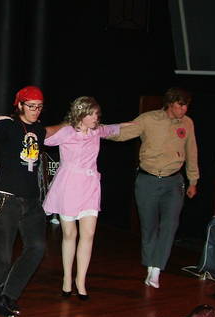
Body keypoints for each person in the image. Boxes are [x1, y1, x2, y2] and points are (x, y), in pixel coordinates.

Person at [0, 86, 63, 317]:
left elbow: (51, 130)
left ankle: (9, 292)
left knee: (37, 247)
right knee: (3, 252)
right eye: (31, 106)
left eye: (39, 107)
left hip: (31, 200)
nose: (35, 111)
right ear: (19, 105)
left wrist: (71, 123)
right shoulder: (8, 126)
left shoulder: (38, 129)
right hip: (6, 198)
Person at [42, 96, 133, 300]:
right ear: (81, 114)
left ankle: (80, 281)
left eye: (97, 114)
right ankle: (67, 278)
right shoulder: (67, 131)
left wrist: (132, 124)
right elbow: (44, 137)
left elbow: (111, 129)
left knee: (89, 234)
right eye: (91, 114)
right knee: (69, 234)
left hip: (90, 186)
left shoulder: (96, 130)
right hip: (68, 186)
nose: (95, 118)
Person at [110, 87, 199, 288]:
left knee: (170, 225)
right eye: (180, 105)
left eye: (186, 106)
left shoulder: (187, 123)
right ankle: (150, 265)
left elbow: (192, 151)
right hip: (148, 180)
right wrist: (97, 130)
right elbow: (123, 133)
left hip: (173, 182)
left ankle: (157, 268)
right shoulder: (148, 119)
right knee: (149, 226)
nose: (184, 109)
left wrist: (193, 181)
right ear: (170, 103)